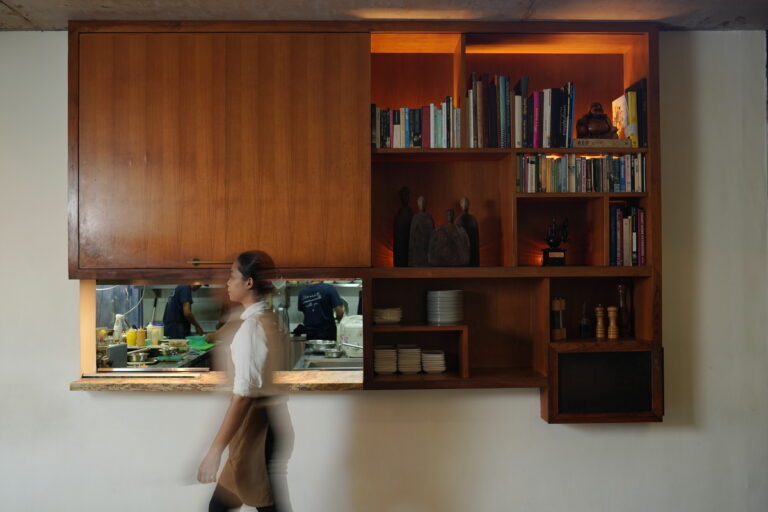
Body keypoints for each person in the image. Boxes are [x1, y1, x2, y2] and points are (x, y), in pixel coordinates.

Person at [198, 251, 293, 512]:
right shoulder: (265, 319)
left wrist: (215, 450)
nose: (227, 283)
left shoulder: (251, 328)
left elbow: (242, 397)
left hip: (255, 433)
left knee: (257, 506)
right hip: (261, 427)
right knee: (219, 507)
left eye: (231, 276)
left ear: (248, 282)